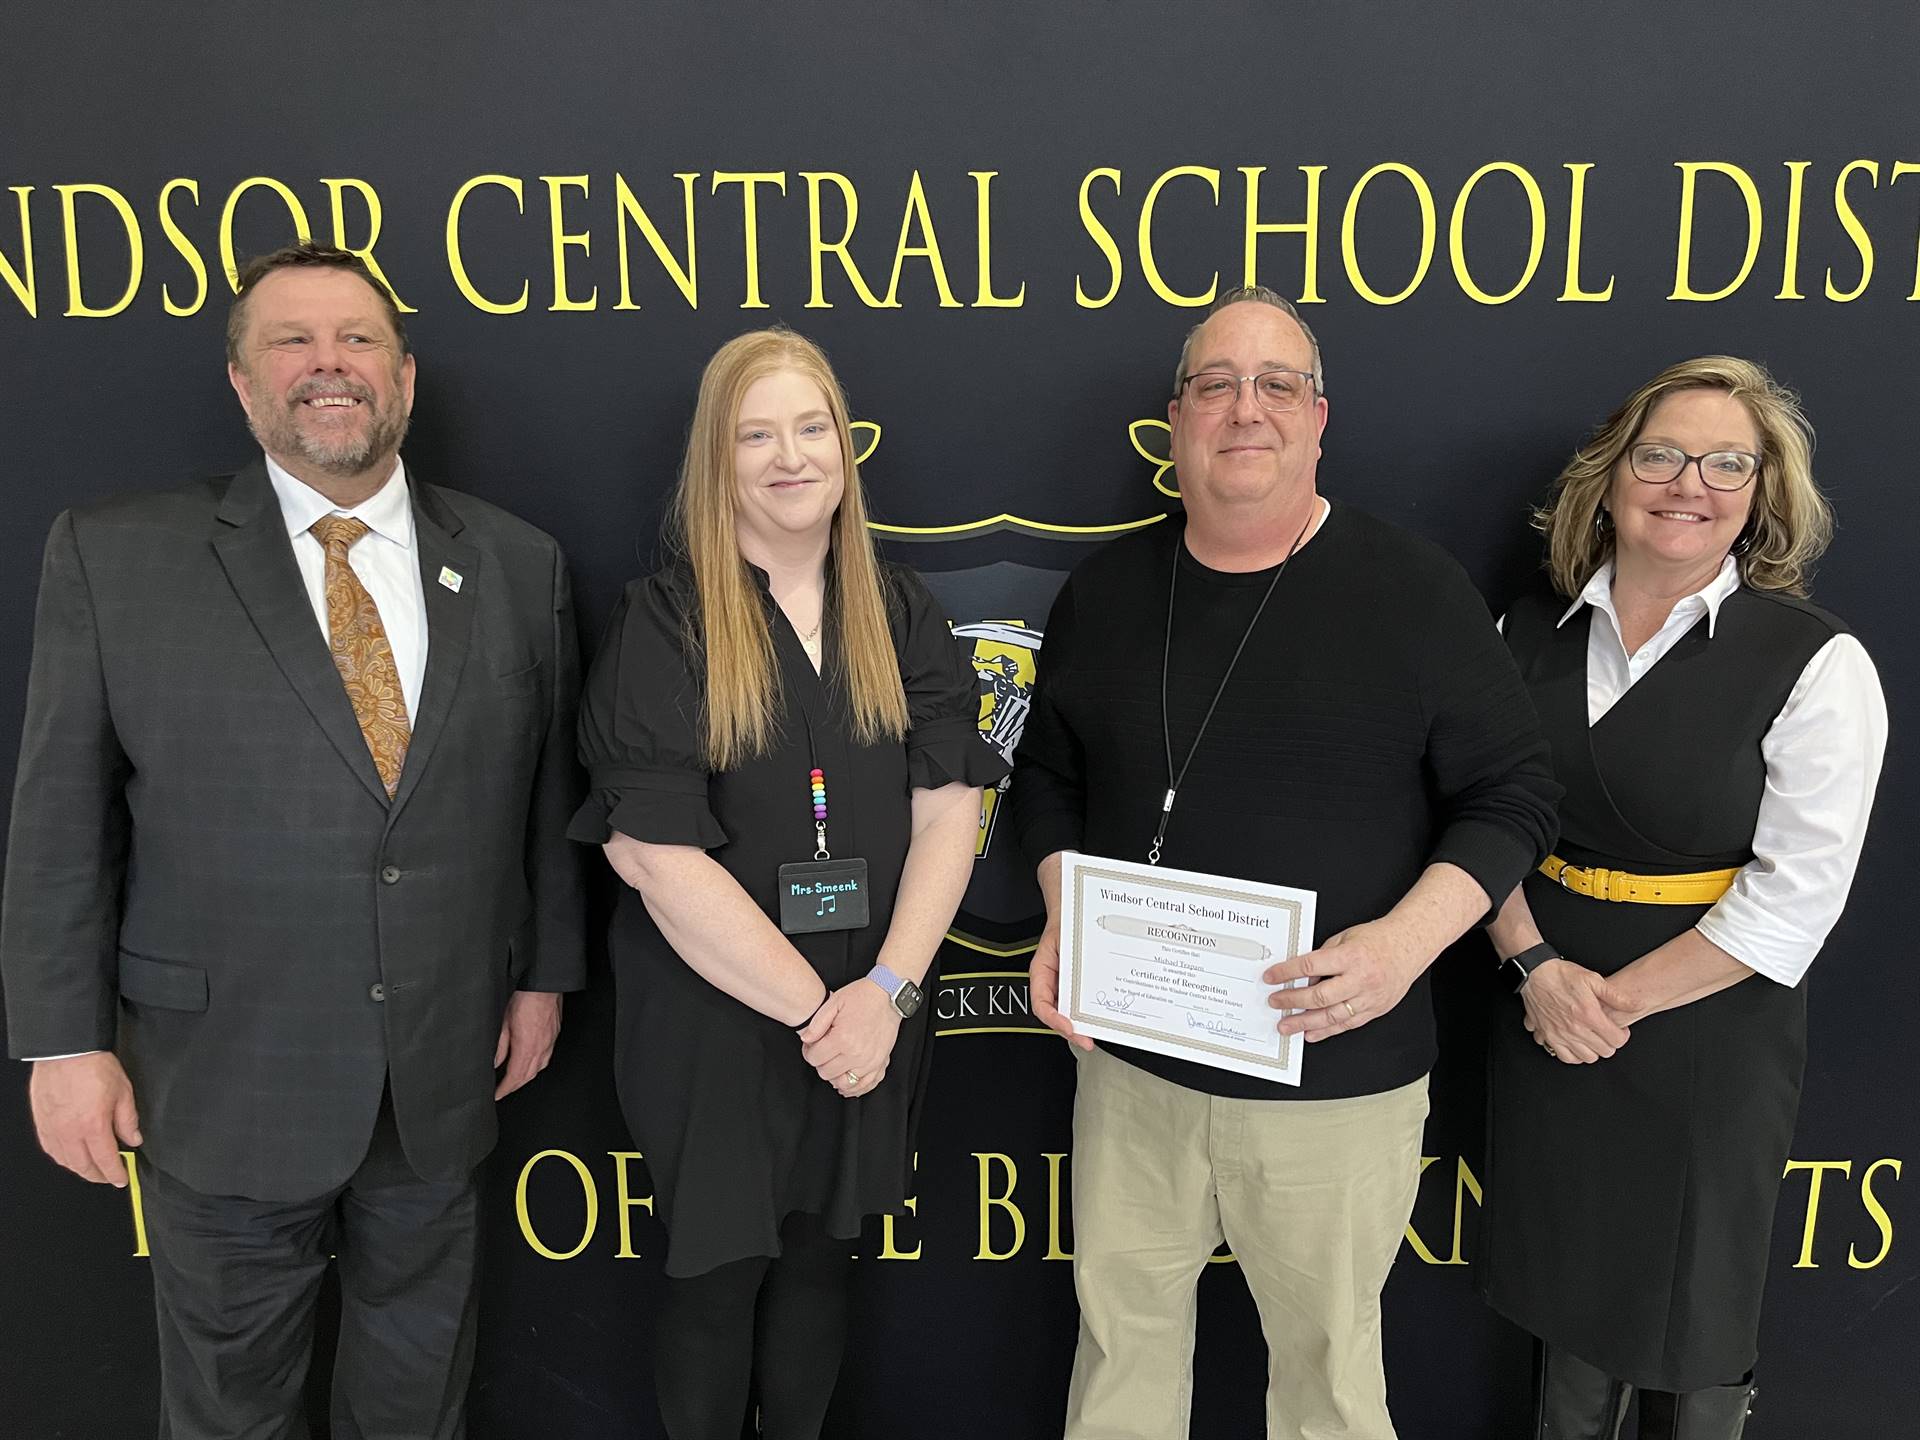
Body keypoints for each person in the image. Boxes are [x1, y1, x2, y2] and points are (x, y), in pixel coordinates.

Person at [0, 241, 586, 1440]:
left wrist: (541, 977)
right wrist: (59, 1044)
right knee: (227, 1416)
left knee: (417, 1403)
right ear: (242, 382)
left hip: (438, 1075)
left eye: (358, 340)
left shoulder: (517, 563)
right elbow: (60, 821)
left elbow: (541, 802)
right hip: (220, 1084)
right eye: (292, 341)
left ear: (406, 378)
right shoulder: (118, 556)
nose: (330, 364)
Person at [1012, 285, 1560, 1440]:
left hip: (1336, 1078)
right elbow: (1050, 778)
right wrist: (1064, 910)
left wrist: (1404, 948)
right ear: (1176, 421)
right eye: (1216, 384)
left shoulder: (1414, 592)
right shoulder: (1103, 594)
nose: (1244, 410)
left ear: (1320, 419)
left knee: (1327, 1384)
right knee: (1120, 1354)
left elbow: (1515, 794)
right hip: (1135, 1070)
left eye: (1276, 386)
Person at [568, 327, 1005, 1439]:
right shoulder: (665, 622)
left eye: (811, 427)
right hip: (721, 1021)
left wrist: (890, 993)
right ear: (716, 461)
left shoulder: (898, 610)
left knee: (822, 1266)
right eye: (755, 433)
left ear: (846, 449)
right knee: (715, 1283)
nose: (788, 455)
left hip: (876, 999)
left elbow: (953, 805)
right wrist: (822, 1015)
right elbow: (653, 856)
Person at [1478, 357, 1887, 1440]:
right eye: (1659, 454)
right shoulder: (1524, 632)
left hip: (1707, 1032)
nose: (1687, 482)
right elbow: (1479, 825)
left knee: (1697, 1307)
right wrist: (1535, 971)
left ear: (1761, 497)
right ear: (1610, 478)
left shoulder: (1815, 662)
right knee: (1568, 1297)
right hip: (1542, 1006)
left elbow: (1797, 894)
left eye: (1725, 462)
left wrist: (1606, 1004)